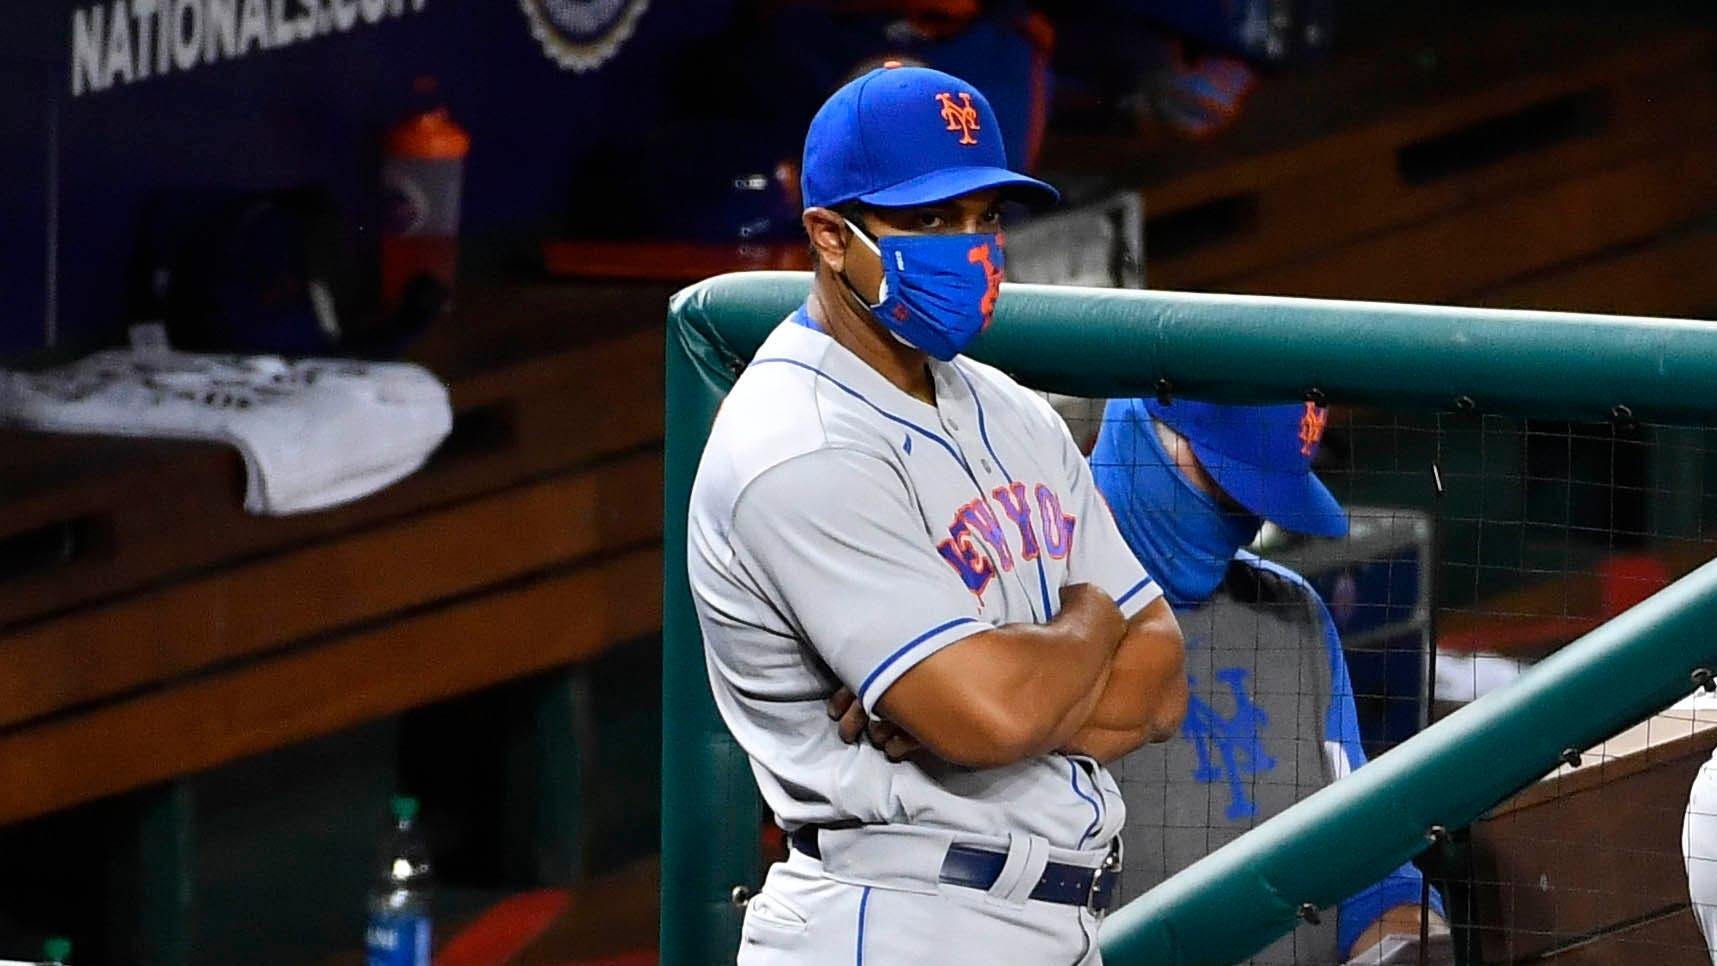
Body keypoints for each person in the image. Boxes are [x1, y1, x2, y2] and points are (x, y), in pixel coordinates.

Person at [688, 65, 1187, 964]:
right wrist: (1086, 624)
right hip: (894, 918)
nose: (968, 246)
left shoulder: (1009, 407)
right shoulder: (801, 444)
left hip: (1049, 922)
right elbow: (990, 720)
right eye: (926, 222)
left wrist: (1016, 682)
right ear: (830, 237)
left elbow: (1159, 686)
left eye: (983, 216)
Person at [1090, 397, 1452, 965]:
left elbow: (1367, 865)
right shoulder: (1020, 610)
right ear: (1147, 431)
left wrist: (1405, 943)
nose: (1244, 517)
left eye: (1257, 498)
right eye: (1224, 482)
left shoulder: (1291, 613)